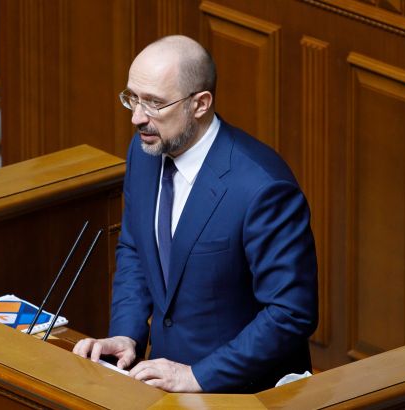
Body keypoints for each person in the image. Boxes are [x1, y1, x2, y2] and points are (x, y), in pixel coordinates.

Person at [73, 35, 318, 393]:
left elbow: (290, 312)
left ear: (200, 104)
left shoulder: (262, 187)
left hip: (243, 393)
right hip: (162, 383)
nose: (137, 117)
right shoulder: (145, 151)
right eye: (132, 98)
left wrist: (197, 375)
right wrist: (127, 334)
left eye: (154, 103)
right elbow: (136, 249)